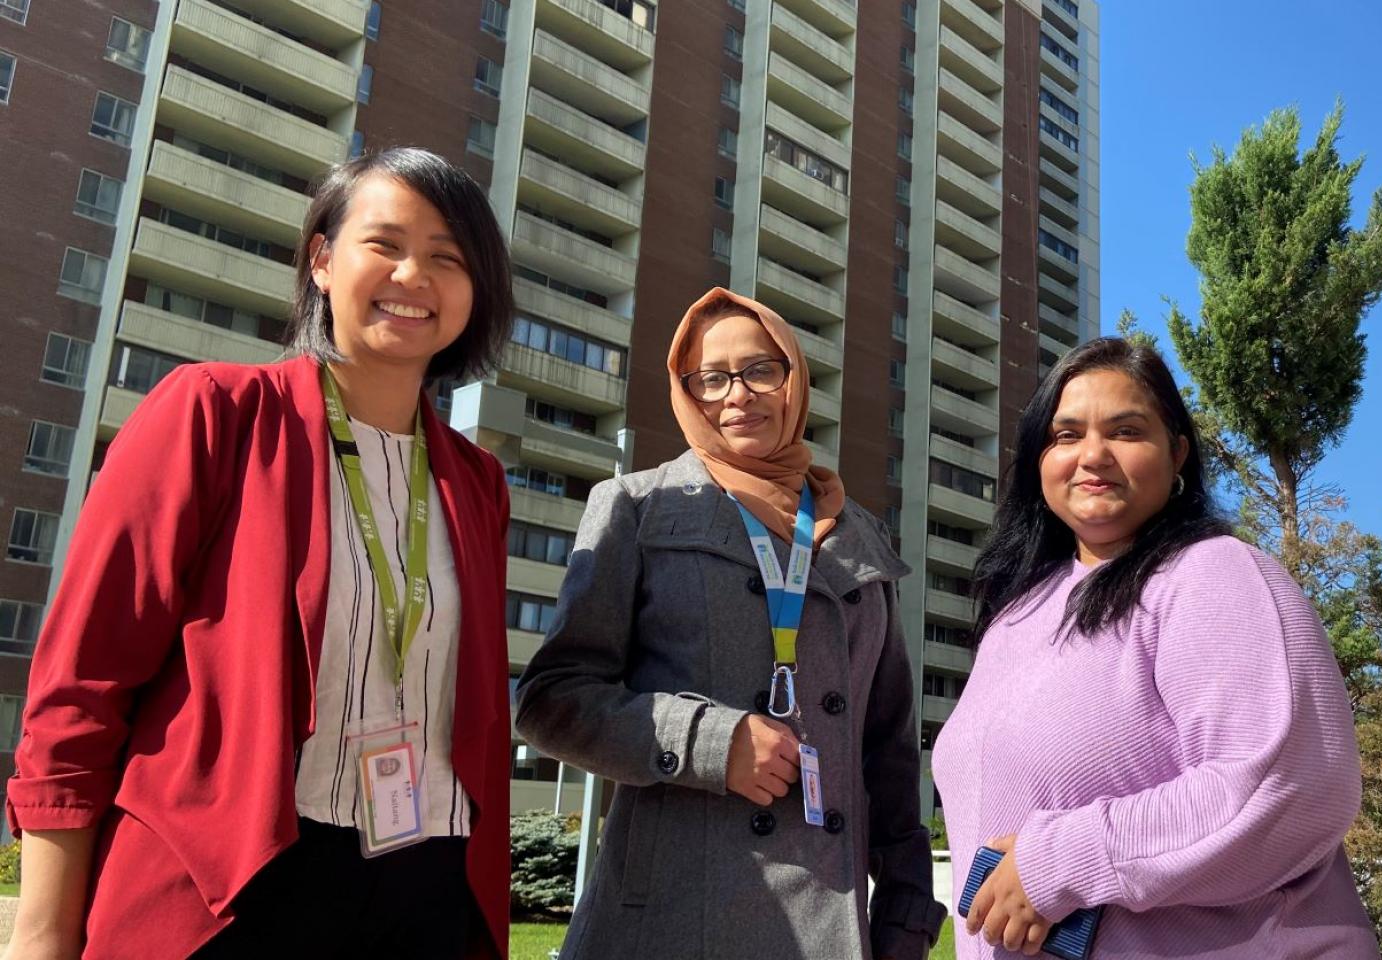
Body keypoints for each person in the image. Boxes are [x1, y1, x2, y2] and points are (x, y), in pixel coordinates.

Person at [3, 147, 516, 959]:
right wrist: (41, 934)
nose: (415, 274)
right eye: (384, 244)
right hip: (229, 886)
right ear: (322, 260)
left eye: (449, 257)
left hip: (427, 885)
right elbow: (81, 683)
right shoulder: (214, 414)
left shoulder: (477, 482)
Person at [513, 287, 943, 960]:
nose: (736, 394)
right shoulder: (636, 507)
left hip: (832, 927)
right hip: (669, 919)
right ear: (686, 392)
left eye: (759, 370)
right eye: (711, 378)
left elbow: (887, 751)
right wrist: (710, 741)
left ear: (793, 380)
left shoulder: (861, 534)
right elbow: (549, 701)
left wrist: (906, 915)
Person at [933, 337, 1380, 959]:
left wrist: (1059, 860)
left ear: (1177, 456)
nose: (1093, 455)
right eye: (1065, 435)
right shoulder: (1017, 614)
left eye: (1126, 430)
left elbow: (1283, 785)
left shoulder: (1214, 575)